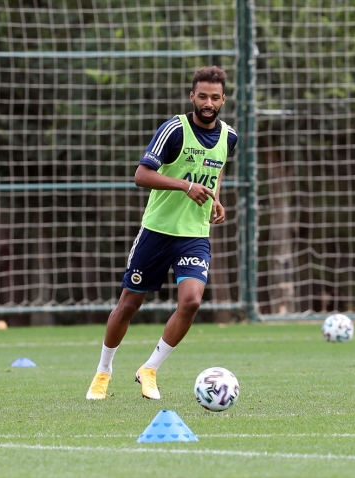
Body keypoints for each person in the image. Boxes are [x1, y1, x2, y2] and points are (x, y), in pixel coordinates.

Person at [86, 66, 238, 400]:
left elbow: (217, 168)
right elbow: (141, 175)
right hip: (157, 231)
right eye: (202, 96)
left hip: (194, 235)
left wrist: (216, 199)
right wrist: (185, 186)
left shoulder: (229, 136)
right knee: (129, 304)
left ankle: (149, 369)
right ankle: (103, 371)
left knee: (192, 301)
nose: (208, 103)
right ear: (192, 97)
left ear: (223, 100)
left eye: (214, 97)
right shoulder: (175, 130)